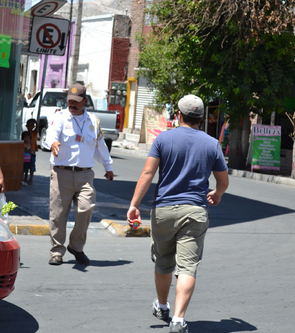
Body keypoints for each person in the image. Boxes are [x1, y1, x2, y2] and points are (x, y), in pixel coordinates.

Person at [126, 95, 229, 333]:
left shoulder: (163, 138)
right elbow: (223, 181)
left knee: (163, 262)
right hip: (194, 211)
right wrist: (217, 193)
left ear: (179, 115)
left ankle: (162, 306)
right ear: (201, 118)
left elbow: (147, 173)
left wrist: (134, 205)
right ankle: (178, 320)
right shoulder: (212, 144)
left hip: (163, 210)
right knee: (187, 267)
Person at [45, 83, 114, 266]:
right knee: (58, 214)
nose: (72, 104)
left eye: (76, 101)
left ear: (85, 102)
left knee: (86, 208)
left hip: (84, 175)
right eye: (69, 101)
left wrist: (108, 166)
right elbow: (50, 135)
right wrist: (53, 143)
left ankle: (76, 246)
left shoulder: (93, 121)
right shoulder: (60, 117)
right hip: (62, 173)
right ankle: (57, 251)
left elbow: (100, 146)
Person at [25, 118, 38, 185]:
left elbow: (37, 128)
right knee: (26, 166)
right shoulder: (25, 134)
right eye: (28, 126)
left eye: (31, 126)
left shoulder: (34, 133)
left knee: (32, 166)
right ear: (26, 126)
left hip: (32, 153)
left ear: (33, 126)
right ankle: (25, 177)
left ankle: (31, 179)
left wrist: (36, 122)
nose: (30, 127)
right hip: (26, 153)